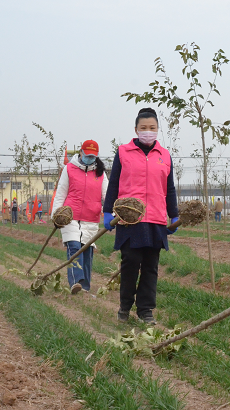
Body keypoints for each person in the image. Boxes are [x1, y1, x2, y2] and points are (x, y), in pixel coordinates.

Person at [104, 107, 179, 324]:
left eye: (152, 128)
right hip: (130, 218)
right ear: (136, 129)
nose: (148, 131)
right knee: (131, 262)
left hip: (155, 218)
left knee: (150, 266)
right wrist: (107, 211)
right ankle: (125, 306)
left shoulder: (164, 155)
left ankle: (146, 310)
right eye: (144, 128)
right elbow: (115, 183)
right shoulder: (123, 152)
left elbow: (170, 188)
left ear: (157, 129)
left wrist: (173, 215)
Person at [51, 140, 108, 294]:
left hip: (91, 218)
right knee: (74, 248)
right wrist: (55, 215)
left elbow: (107, 196)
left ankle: (85, 288)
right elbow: (61, 193)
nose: (90, 158)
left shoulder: (100, 173)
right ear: (81, 152)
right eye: (87, 155)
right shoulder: (69, 169)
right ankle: (76, 283)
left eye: (93, 156)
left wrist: (111, 213)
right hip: (70, 217)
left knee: (87, 252)